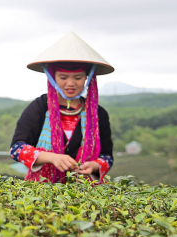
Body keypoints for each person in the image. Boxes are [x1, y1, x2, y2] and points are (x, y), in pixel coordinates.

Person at [10, 32, 114, 184]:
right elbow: (17, 149)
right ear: (52, 77)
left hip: (86, 191)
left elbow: (107, 156)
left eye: (78, 78)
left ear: (87, 78)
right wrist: (51, 158)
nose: (70, 83)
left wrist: (93, 166)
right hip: (44, 191)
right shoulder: (39, 107)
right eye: (63, 78)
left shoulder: (98, 114)